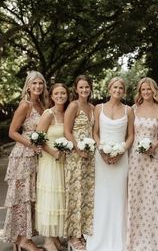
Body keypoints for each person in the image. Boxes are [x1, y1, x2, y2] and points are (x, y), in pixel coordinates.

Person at [86, 76, 134, 251]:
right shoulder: (98, 108)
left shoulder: (128, 110)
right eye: (115, 87)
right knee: (102, 196)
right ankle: (100, 238)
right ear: (109, 89)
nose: (118, 90)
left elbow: (131, 135)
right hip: (101, 158)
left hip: (121, 159)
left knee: (119, 197)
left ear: (124, 91)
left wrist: (122, 151)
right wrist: (101, 150)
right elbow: (95, 132)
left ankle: (119, 239)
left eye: (121, 88)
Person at [3, 71, 48, 251]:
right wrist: (31, 144)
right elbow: (12, 132)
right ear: (28, 86)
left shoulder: (42, 105)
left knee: (33, 198)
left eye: (40, 84)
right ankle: (22, 239)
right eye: (34, 84)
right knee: (22, 198)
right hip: (23, 156)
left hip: (38, 156)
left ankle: (22, 238)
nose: (37, 87)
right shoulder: (25, 105)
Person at [126, 77, 158, 251]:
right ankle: (134, 240)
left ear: (154, 90)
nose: (146, 92)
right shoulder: (133, 110)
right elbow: (129, 133)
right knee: (136, 195)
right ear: (140, 91)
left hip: (153, 158)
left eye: (149, 89)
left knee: (153, 196)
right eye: (143, 89)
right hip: (135, 158)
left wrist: (154, 146)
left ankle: (156, 241)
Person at [35, 83, 70, 251]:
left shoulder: (68, 112)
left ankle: (55, 237)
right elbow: (37, 137)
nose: (60, 96)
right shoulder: (48, 114)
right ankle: (48, 240)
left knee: (60, 199)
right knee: (50, 198)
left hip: (64, 161)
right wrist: (53, 152)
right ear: (52, 96)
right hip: (49, 161)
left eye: (63, 93)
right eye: (57, 93)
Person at [64, 75, 95, 251]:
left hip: (90, 157)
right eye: (81, 87)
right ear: (76, 89)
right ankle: (73, 237)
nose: (84, 90)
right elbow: (67, 132)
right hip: (76, 157)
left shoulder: (92, 107)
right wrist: (78, 149)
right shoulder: (73, 106)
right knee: (75, 194)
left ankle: (83, 232)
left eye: (87, 87)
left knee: (87, 196)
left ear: (90, 88)